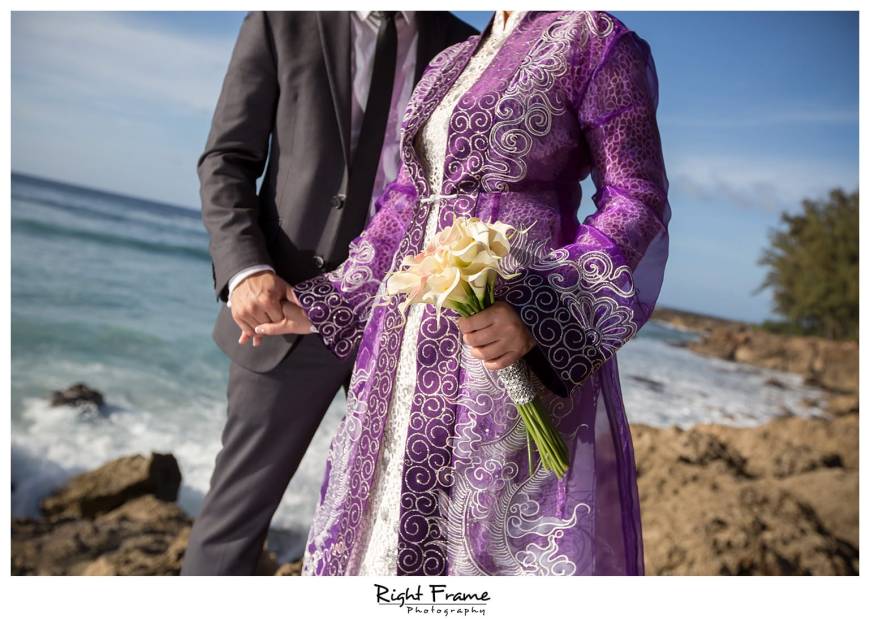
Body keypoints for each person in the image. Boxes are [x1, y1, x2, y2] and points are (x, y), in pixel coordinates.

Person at [258, 10, 670, 576]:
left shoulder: (591, 38)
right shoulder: (449, 62)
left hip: (501, 350)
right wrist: (329, 299)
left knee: (482, 551)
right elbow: (405, 203)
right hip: (402, 357)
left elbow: (636, 198)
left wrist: (538, 312)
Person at [185, 11, 477, 575]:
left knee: (410, 526)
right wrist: (245, 268)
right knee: (234, 523)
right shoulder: (282, 19)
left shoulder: (468, 47)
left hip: (413, 315)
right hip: (286, 310)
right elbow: (226, 159)